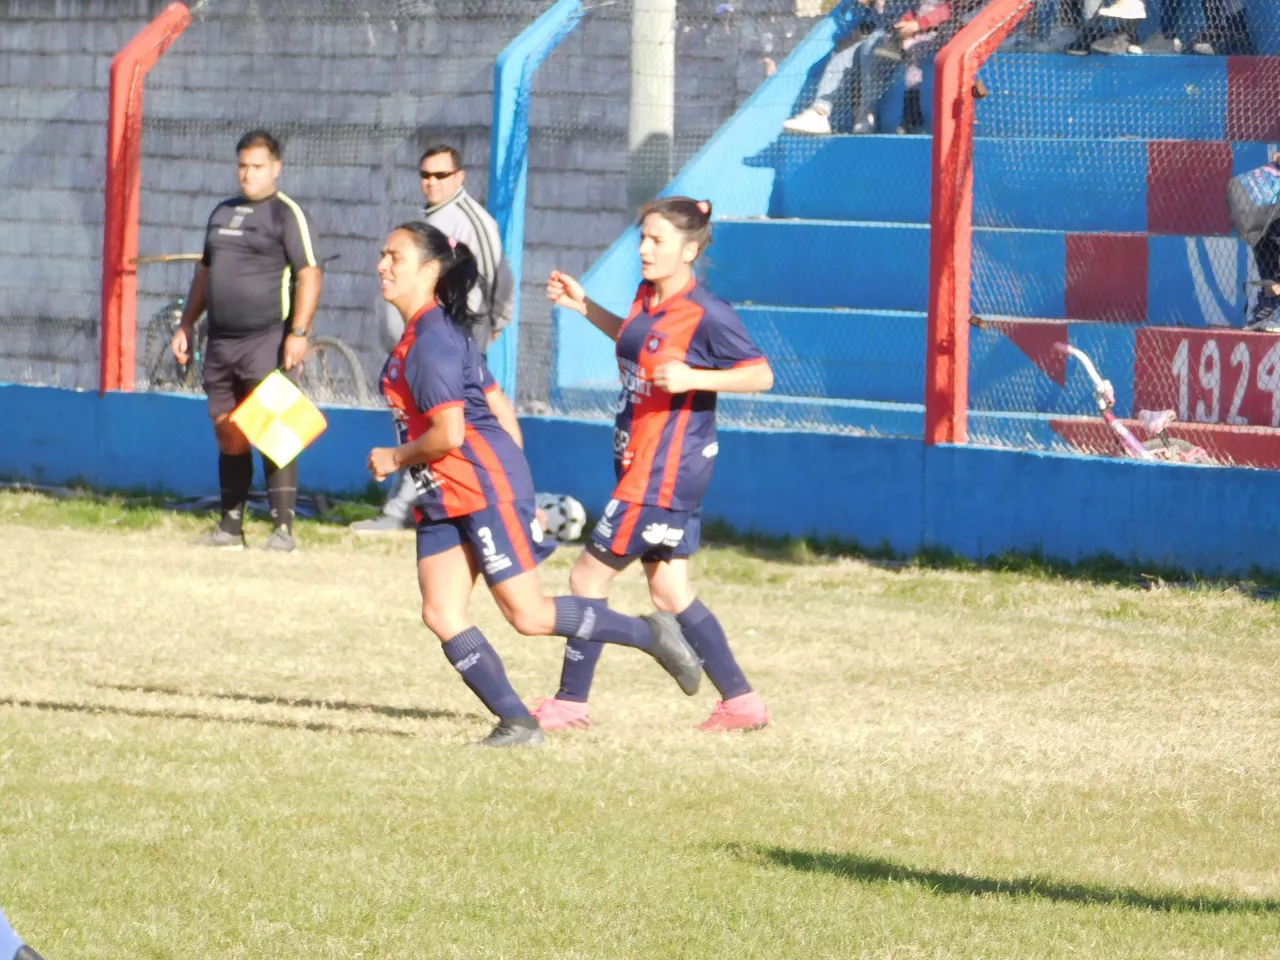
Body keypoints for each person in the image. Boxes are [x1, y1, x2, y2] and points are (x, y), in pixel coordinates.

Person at [369, 221, 702, 747]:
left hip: (476, 487)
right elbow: (498, 404)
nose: (383, 265)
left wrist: (397, 457)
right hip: (445, 493)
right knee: (441, 613)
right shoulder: (428, 335)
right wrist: (516, 485)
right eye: (383, 255)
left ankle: (649, 632)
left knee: (529, 615)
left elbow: (449, 433)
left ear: (430, 270)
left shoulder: (432, 341)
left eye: (395, 256)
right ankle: (518, 722)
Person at [531, 197, 776, 734]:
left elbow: (759, 375)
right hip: (642, 460)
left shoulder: (708, 313)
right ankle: (741, 703)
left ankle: (571, 704)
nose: (643, 248)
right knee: (669, 591)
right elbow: (639, 342)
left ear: (689, 251)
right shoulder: (647, 296)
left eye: (657, 240)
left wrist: (695, 379)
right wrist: (586, 306)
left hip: (663, 472)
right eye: (642, 237)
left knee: (586, 577)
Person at [353, 144, 517, 534]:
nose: (431, 182)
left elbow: (496, 275)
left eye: (440, 175)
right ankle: (419, 507)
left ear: (460, 178)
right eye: (425, 175)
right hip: (422, 341)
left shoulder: (469, 219)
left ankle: (405, 510)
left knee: (442, 426)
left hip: (451, 336)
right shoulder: (433, 219)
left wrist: (489, 324)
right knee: (418, 425)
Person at [172, 129, 322, 552]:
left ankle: (282, 530)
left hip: (266, 339)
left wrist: (298, 332)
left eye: (257, 166)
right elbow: (205, 272)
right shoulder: (221, 213)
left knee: (274, 430)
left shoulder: (286, 214)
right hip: (220, 341)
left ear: (276, 168)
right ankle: (230, 527)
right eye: (242, 165)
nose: (248, 174)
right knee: (227, 428)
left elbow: (309, 273)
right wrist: (186, 324)